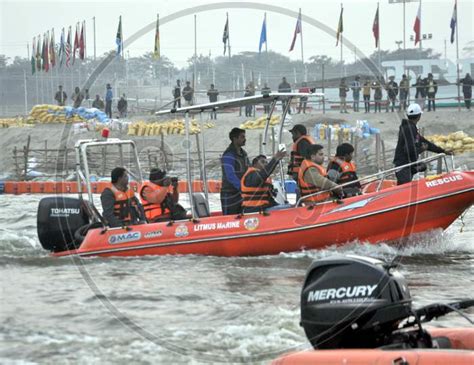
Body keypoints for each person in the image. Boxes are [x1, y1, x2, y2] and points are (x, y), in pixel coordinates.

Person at [393, 103, 452, 185]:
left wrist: (443, 151)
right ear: (419, 116)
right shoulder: (408, 129)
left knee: (423, 166)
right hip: (403, 167)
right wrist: (421, 149)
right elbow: (409, 150)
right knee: (405, 188)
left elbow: (426, 143)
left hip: (407, 165)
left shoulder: (411, 128)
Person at [220, 128, 250, 215]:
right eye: (242, 137)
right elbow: (230, 175)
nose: (245, 139)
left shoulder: (243, 154)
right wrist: (242, 188)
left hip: (241, 193)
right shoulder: (228, 155)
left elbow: (249, 170)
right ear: (235, 138)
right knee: (230, 218)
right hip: (230, 194)